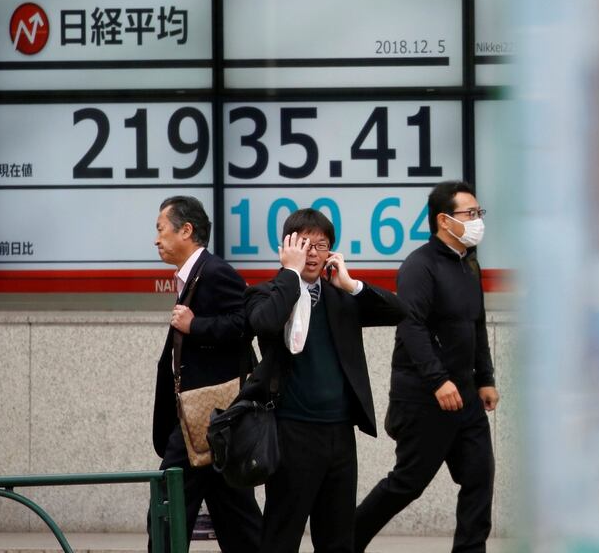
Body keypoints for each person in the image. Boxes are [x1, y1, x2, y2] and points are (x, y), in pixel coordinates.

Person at [245, 208, 406, 553]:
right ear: (288, 247)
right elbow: (265, 324)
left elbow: (399, 311)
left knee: (337, 540)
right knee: (281, 536)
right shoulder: (267, 293)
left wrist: (351, 284)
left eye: (322, 245)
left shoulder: (340, 297)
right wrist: (290, 273)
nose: (314, 253)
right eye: (305, 244)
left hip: (339, 435)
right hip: (292, 433)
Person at [354, 180, 500, 553]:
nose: (477, 220)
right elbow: (411, 325)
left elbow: (476, 323)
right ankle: (345, 542)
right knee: (408, 482)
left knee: (479, 475)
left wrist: (484, 378)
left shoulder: (469, 263)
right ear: (444, 220)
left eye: (478, 213)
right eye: (470, 214)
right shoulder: (420, 266)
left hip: (465, 395)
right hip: (425, 397)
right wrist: (438, 380)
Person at [149, 195, 262, 553]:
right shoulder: (193, 276)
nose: (156, 239)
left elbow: (246, 323)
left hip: (207, 417)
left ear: (186, 230)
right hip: (204, 421)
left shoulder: (214, 272)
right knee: (236, 517)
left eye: (161, 229)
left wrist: (197, 325)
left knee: (167, 509)